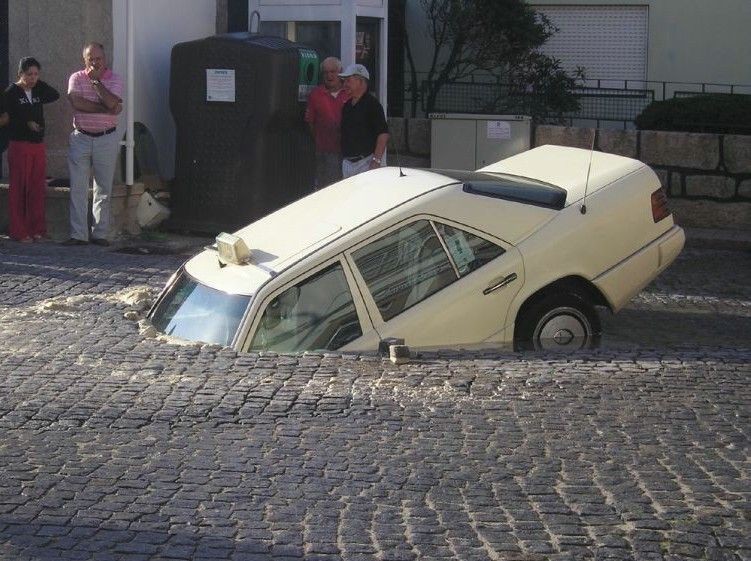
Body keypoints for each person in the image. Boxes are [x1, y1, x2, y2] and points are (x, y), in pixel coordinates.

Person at [64, 42, 123, 246]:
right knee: (78, 188)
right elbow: (76, 102)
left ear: (104, 59)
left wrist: (97, 83)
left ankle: (100, 234)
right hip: (80, 137)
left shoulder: (114, 78)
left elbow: (114, 102)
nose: (95, 62)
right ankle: (78, 235)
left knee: (103, 189)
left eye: (98, 58)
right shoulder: (76, 78)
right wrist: (107, 109)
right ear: (85, 60)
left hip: (106, 138)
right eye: (91, 58)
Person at [3, 57, 60, 243]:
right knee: (19, 189)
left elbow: (54, 95)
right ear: (20, 74)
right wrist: (26, 122)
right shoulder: (11, 93)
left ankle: (37, 229)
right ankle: (19, 230)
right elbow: (8, 117)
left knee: (36, 188)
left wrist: (37, 83)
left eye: (36, 74)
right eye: (29, 74)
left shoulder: (38, 89)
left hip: (37, 144)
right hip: (20, 144)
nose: (33, 78)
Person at [304, 57, 350, 189]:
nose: (329, 76)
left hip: (349, 153)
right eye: (325, 72)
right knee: (328, 189)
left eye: (333, 72)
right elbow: (310, 123)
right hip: (325, 152)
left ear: (340, 72)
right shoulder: (315, 95)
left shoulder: (349, 92)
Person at [339, 64, 389, 179]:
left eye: (348, 80)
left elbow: (383, 134)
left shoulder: (373, 105)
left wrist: (376, 161)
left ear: (360, 81)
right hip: (347, 163)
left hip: (365, 162)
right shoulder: (347, 106)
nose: (345, 84)